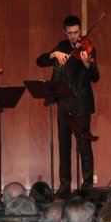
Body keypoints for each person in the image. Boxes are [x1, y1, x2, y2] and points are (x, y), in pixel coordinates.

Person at [36, 15, 100, 199]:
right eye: (70, 33)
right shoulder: (61, 47)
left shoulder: (88, 48)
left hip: (81, 103)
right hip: (63, 102)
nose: (74, 36)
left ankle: (87, 187)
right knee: (64, 147)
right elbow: (40, 61)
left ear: (80, 31)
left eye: (76, 32)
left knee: (84, 146)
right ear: (65, 32)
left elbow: (95, 76)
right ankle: (64, 187)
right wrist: (53, 54)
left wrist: (87, 63)